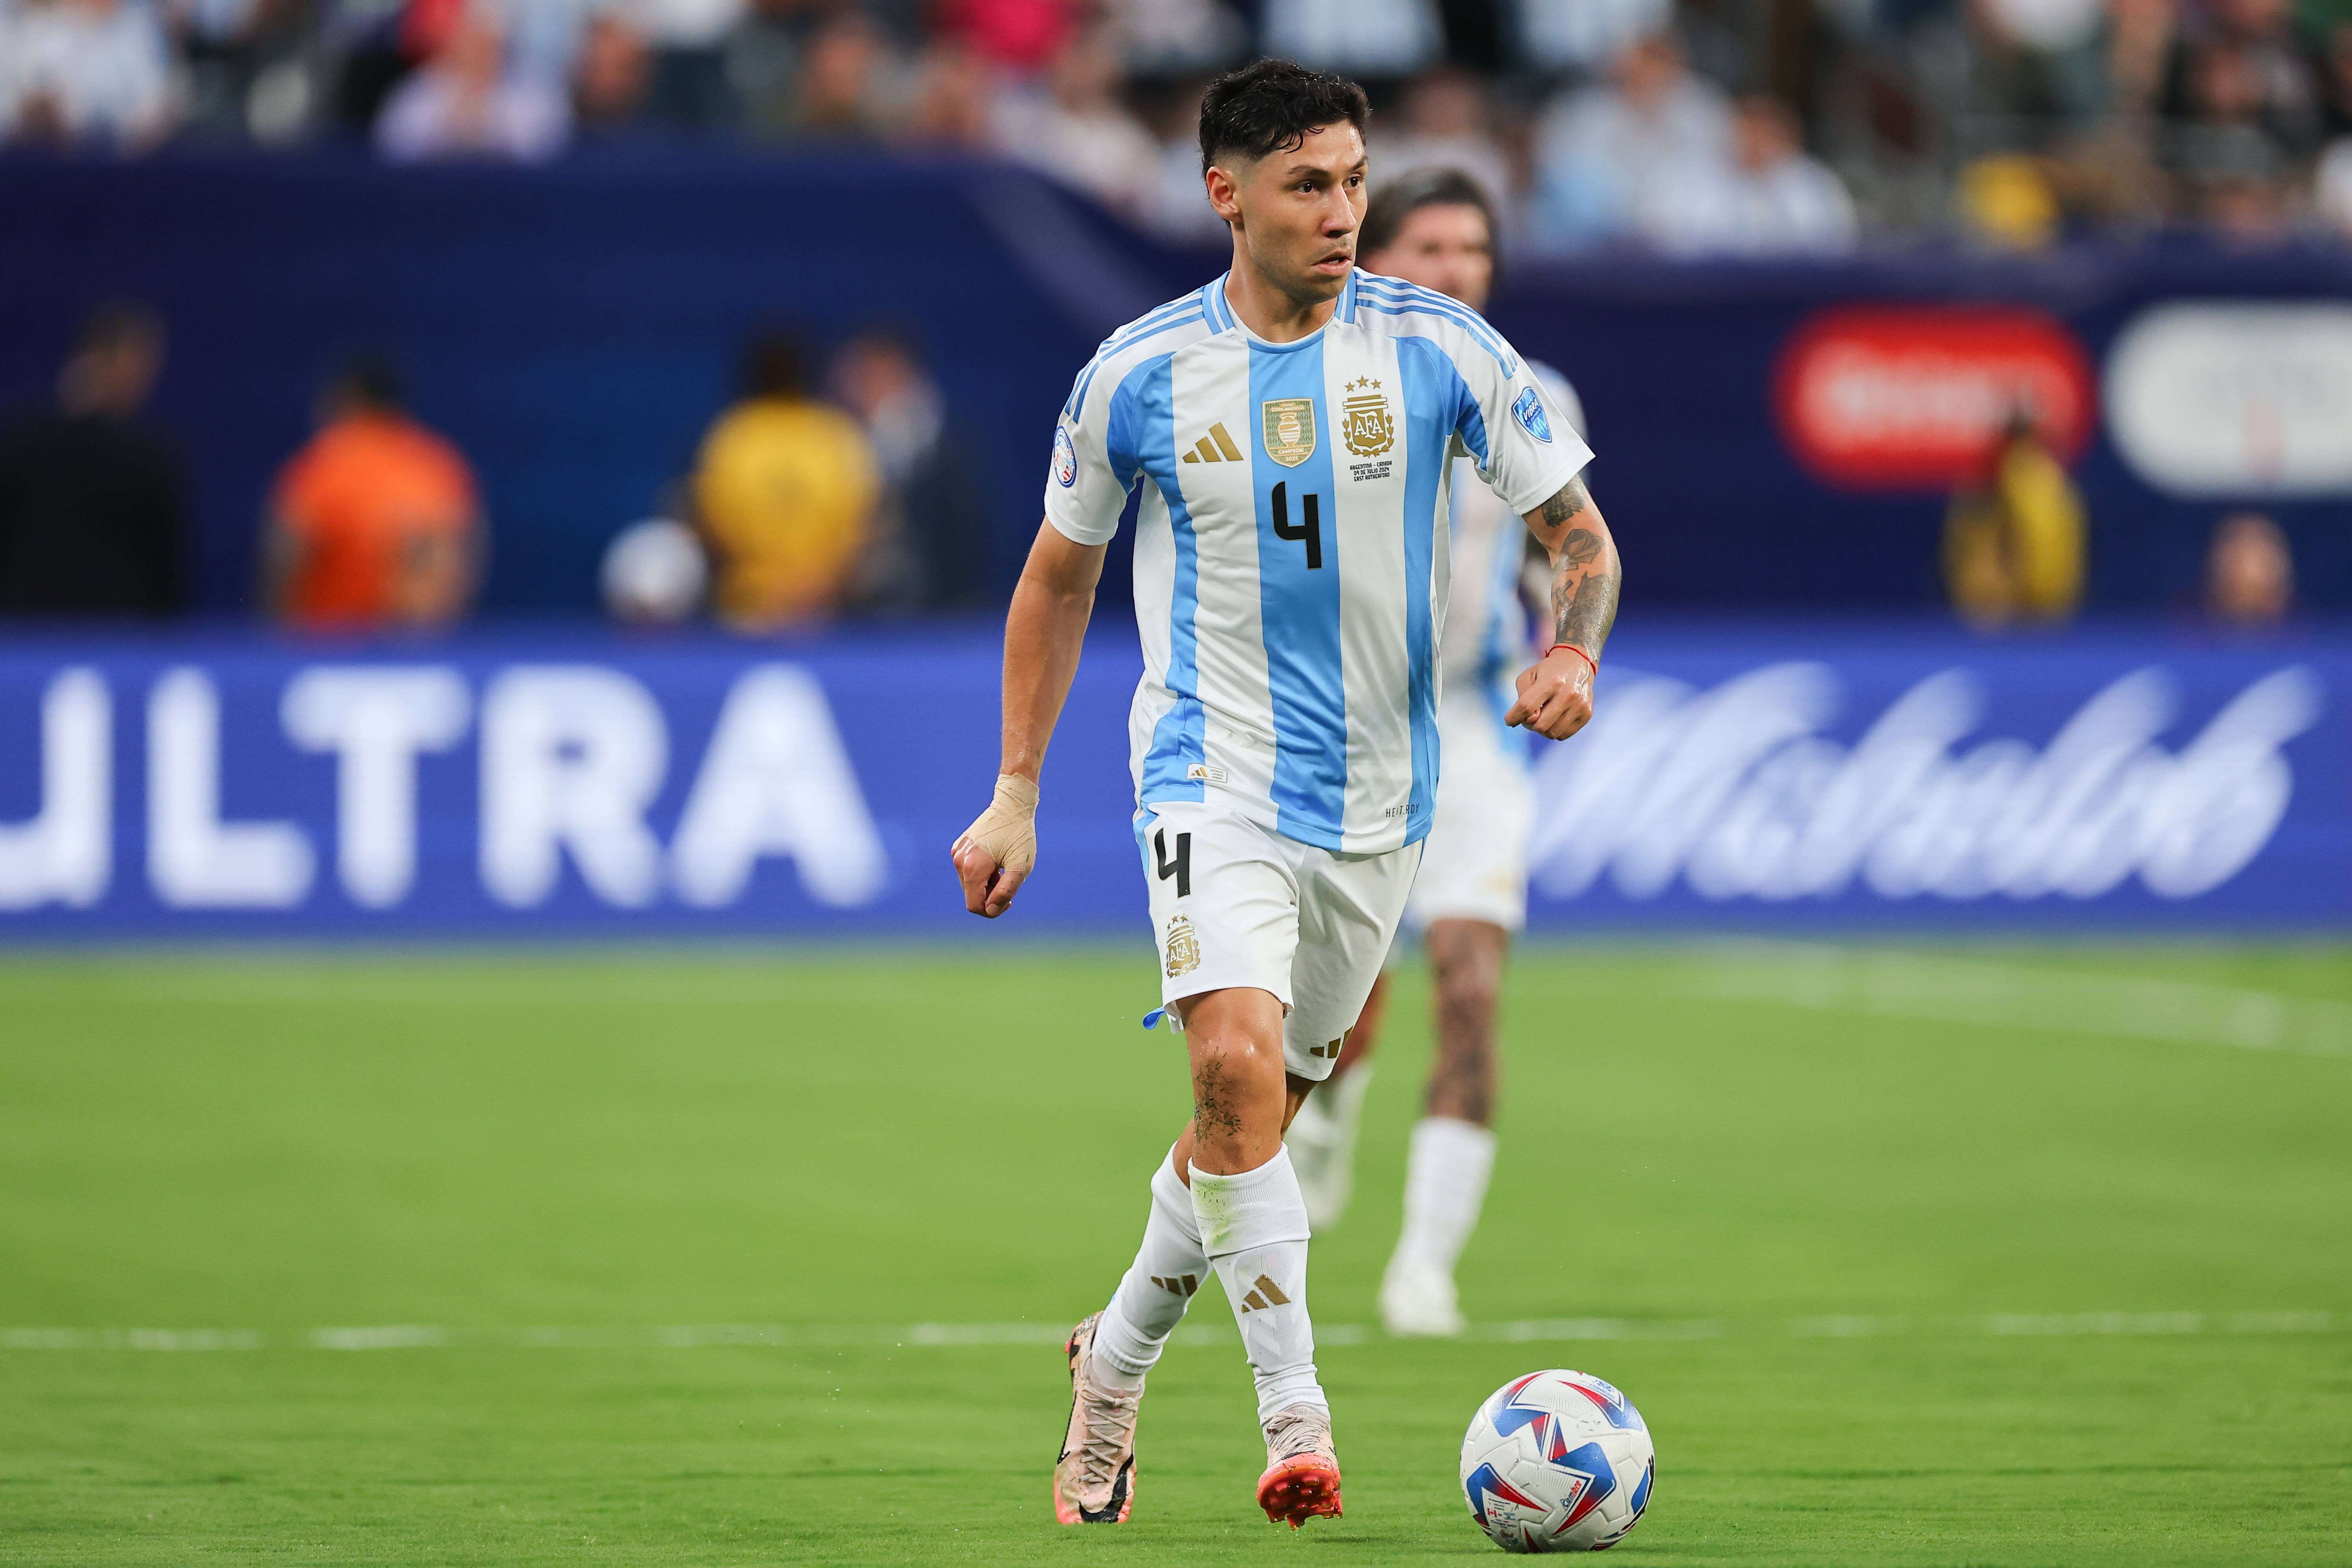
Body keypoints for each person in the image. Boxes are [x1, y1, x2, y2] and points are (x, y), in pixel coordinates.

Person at [948, 59, 1619, 1530]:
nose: (1342, 211)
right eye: (1309, 184)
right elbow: (1056, 579)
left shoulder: (1442, 349)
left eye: (1355, 181)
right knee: (1231, 1067)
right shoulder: (1136, 373)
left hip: (1384, 800)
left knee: (1253, 1115)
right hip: (1207, 768)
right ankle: (1295, 1415)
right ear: (1226, 193)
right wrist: (1015, 790)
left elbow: (1580, 536)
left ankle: (1110, 1360)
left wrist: (1572, 646)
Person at [1277, 166, 1589, 1339]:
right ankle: (1327, 1109)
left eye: (1474, 250)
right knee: (1341, 1009)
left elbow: (1565, 542)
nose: (1456, 270)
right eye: (1431, 247)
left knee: (1468, 983)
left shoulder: (1530, 391)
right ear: (1369, 256)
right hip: (1338, 728)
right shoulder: (1306, 379)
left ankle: (1423, 1271)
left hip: (1467, 722)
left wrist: (1565, 651)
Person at [265, 356, 482, 630]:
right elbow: (460, 555)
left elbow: (288, 555)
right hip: (417, 647)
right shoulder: (437, 465)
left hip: (330, 646)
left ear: (349, 399)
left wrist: (278, 632)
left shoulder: (324, 465)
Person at [0, 303, 186, 619]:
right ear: (97, 359)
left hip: (121, 641)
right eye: (135, 364)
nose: (143, 382)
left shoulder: (153, 459)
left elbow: (167, 568)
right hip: (27, 639)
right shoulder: (21, 447)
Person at [690, 329, 879, 630]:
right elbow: (861, 528)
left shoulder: (731, 436)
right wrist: (812, 586)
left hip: (748, 608)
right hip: (819, 610)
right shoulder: (834, 435)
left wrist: (768, 589)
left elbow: (710, 524)